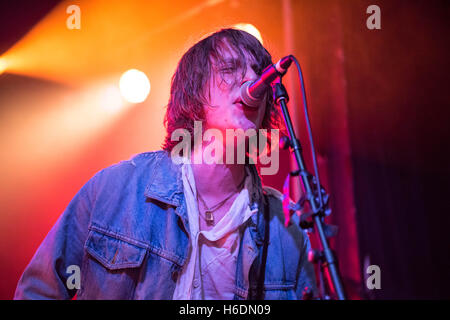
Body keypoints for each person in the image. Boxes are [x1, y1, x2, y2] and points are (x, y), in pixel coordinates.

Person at [14, 28, 317, 300]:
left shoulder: (285, 229)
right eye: (229, 69)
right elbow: (39, 291)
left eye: (259, 72)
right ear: (194, 89)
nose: (252, 80)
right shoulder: (116, 189)